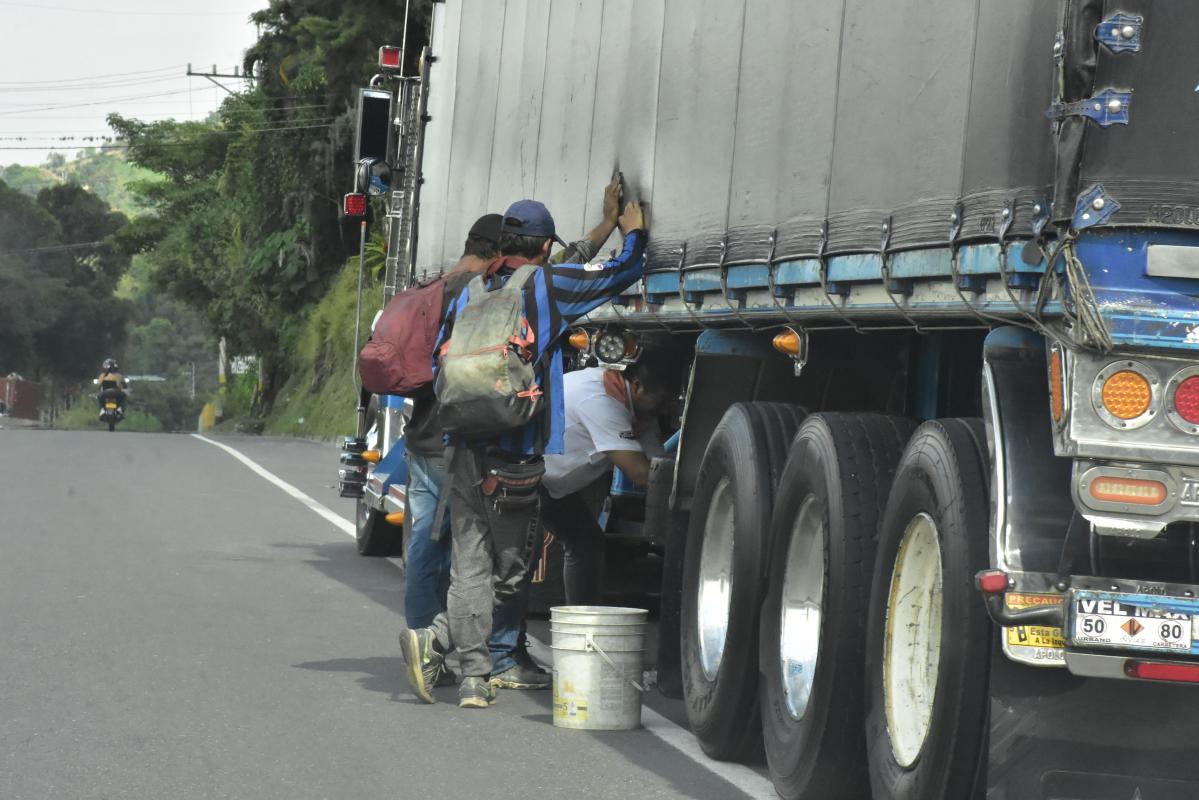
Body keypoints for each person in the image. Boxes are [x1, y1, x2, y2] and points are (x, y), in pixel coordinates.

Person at [399, 195, 649, 709]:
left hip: (461, 446)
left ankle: (473, 679)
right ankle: (440, 638)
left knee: (469, 563)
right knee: (508, 571)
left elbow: (440, 360)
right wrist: (634, 232)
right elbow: (621, 273)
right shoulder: (549, 287)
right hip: (515, 452)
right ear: (542, 247)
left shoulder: (468, 292)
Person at [539, 348, 684, 606]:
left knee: (586, 542)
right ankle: (502, 638)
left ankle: (582, 621)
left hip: (553, 484)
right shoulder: (601, 400)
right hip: (530, 476)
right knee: (518, 560)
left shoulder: (637, 408)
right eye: (661, 400)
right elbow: (640, 474)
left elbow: (659, 469)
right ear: (637, 386)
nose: (664, 410)